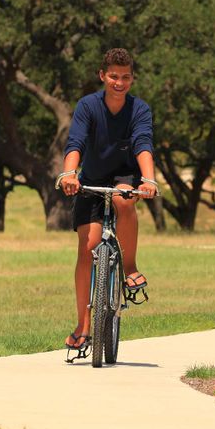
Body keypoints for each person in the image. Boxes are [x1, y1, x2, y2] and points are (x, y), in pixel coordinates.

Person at [56, 48, 158, 350]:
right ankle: (83, 325)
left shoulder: (139, 109)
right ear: (103, 76)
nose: (119, 82)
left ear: (132, 79)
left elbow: (143, 142)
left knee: (125, 201)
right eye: (114, 76)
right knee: (87, 248)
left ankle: (129, 267)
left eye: (125, 77)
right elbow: (75, 141)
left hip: (124, 177)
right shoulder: (88, 106)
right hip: (91, 180)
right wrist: (69, 174)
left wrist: (148, 179)